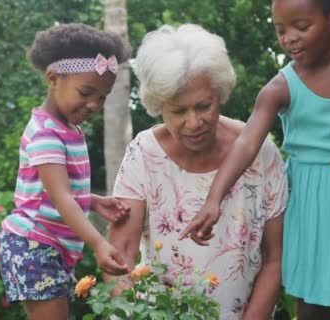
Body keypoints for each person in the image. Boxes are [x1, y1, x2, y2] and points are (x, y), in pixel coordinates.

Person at [180, 0, 330, 318]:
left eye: (301, 27)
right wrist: (214, 198)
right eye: (280, 30)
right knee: (310, 302)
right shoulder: (280, 88)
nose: (289, 38)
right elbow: (246, 144)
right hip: (307, 203)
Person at [106, 24, 288, 320]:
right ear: (158, 104)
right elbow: (119, 257)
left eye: (203, 106)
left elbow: (274, 259)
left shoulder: (262, 153)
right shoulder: (143, 155)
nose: (194, 123)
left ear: (220, 92)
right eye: (178, 111)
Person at [0, 23, 132, 320]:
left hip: (47, 245)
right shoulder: (46, 134)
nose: (94, 104)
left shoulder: (67, 129)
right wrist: (98, 242)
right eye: (86, 92)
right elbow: (61, 197)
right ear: (53, 78)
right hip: (33, 244)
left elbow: (57, 190)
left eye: (103, 96)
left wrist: (94, 201)